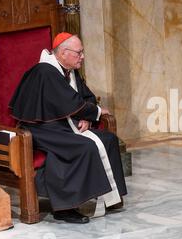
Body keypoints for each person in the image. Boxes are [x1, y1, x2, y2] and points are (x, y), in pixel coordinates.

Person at [9, 32, 128, 223]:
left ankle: (110, 196)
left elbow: (85, 97)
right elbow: (70, 102)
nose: (83, 56)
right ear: (63, 53)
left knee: (109, 139)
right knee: (82, 146)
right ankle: (66, 208)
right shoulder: (46, 71)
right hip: (41, 129)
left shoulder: (70, 71)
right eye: (79, 52)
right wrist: (95, 112)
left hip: (63, 125)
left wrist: (88, 119)